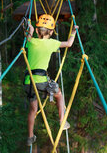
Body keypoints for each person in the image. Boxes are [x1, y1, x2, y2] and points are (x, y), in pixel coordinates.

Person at [24, 14, 78, 146]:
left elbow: (29, 35)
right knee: (59, 95)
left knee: (33, 109)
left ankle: (30, 137)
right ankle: (62, 121)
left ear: (37, 31)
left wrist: (29, 29)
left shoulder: (30, 42)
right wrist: (73, 31)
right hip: (42, 82)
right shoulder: (52, 43)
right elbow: (69, 44)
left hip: (28, 83)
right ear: (52, 32)